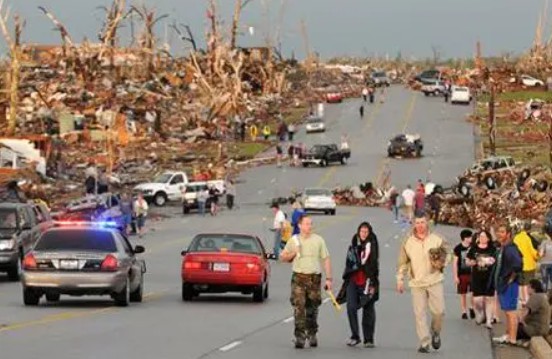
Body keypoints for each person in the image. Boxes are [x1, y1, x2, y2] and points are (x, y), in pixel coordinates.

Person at [397, 215, 449, 353]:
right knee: (419, 313)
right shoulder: (408, 241)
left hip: (434, 280)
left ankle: (435, 332)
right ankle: (424, 342)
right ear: (414, 224)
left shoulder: (437, 239)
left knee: (439, 311)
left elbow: (448, 253)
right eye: (417, 223)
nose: (420, 225)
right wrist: (400, 279)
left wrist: (442, 263)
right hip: (416, 283)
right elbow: (403, 262)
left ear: (427, 223)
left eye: (422, 222)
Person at [280, 215, 332, 349]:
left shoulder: (318, 240)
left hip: (314, 278)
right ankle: (300, 336)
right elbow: (283, 257)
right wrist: (294, 253)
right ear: (300, 226)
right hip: (299, 277)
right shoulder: (294, 240)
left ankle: (312, 332)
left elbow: (326, 259)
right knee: (299, 307)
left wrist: (329, 279)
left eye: (311, 224)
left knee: (312, 308)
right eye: (307, 224)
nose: (309, 226)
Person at [342, 222, 379, 348]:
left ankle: (368, 339)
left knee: (368, 309)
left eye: (366, 232)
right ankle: (355, 336)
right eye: (361, 231)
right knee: (351, 307)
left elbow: (373, 265)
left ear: (369, 233)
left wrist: (372, 282)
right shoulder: (354, 243)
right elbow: (349, 261)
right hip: (353, 280)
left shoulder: (372, 245)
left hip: (368, 281)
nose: (363, 234)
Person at [492, 225, 523, 345]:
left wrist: (511, 278)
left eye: (502, 231)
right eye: (498, 231)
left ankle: (512, 339)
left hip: (509, 285)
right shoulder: (504, 247)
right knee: (507, 311)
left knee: (511, 312)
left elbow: (518, 264)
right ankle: (508, 335)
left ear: (508, 234)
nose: (499, 234)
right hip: (503, 284)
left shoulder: (510, 248)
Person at [466, 230, 497, 329]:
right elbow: (467, 261)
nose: (482, 238)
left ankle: (488, 321)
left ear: (488, 238)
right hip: (477, 277)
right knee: (477, 300)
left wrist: (487, 261)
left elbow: (494, 260)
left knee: (489, 299)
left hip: (489, 277)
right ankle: (481, 313)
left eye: (484, 236)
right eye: (480, 236)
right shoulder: (473, 249)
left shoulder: (492, 249)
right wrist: (473, 262)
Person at [513, 224, 539, 304]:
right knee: (526, 283)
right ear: (529, 229)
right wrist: (538, 255)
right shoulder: (527, 238)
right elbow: (531, 250)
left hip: (518, 264)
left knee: (520, 283)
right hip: (528, 264)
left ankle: (521, 299)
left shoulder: (516, 238)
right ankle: (526, 300)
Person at [453, 229, 475, 320]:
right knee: (463, 293)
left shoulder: (473, 247)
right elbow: (455, 263)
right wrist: (455, 276)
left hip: (472, 273)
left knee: (473, 292)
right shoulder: (458, 248)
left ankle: (471, 307)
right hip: (462, 274)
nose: (471, 238)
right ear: (465, 238)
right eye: (470, 237)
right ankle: (464, 311)